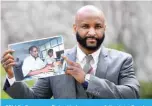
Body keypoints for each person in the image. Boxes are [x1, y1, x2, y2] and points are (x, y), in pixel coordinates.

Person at [1, 5, 140, 98]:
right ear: (75, 29)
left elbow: (132, 94)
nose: (92, 32)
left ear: (104, 28)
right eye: (85, 26)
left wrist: (86, 80)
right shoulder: (57, 59)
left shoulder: (123, 60)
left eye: (98, 26)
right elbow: (35, 99)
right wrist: (12, 76)